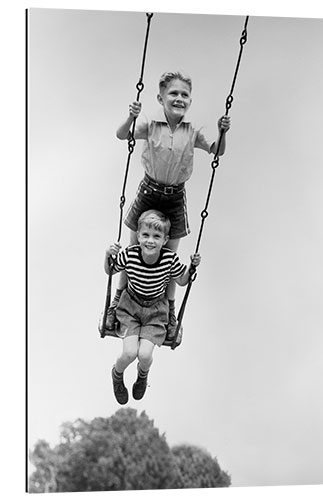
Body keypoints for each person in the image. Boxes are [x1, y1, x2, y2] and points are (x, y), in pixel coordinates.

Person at [107, 71, 230, 337]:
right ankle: (117, 301)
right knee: (134, 250)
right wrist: (131, 115)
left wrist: (222, 132)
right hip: (149, 191)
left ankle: (170, 309)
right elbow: (121, 135)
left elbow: (216, 150)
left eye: (184, 94)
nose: (179, 98)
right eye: (173, 93)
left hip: (175, 196)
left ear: (190, 101)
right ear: (161, 98)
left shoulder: (192, 133)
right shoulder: (150, 127)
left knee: (170, 257)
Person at [105, 209, 201, 405]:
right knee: (130, 353)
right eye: (146, 235)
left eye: (156, 236)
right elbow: (110, 270)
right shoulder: (130, 254)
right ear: (138, 236)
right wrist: (108, 254)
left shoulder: (169, 259)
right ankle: (117, 374)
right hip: (130, 308)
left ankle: (142, 376)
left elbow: (182, 280)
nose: (150, 240)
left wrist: (191, 268)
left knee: (145, 355)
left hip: (156, 312)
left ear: (165, 240)